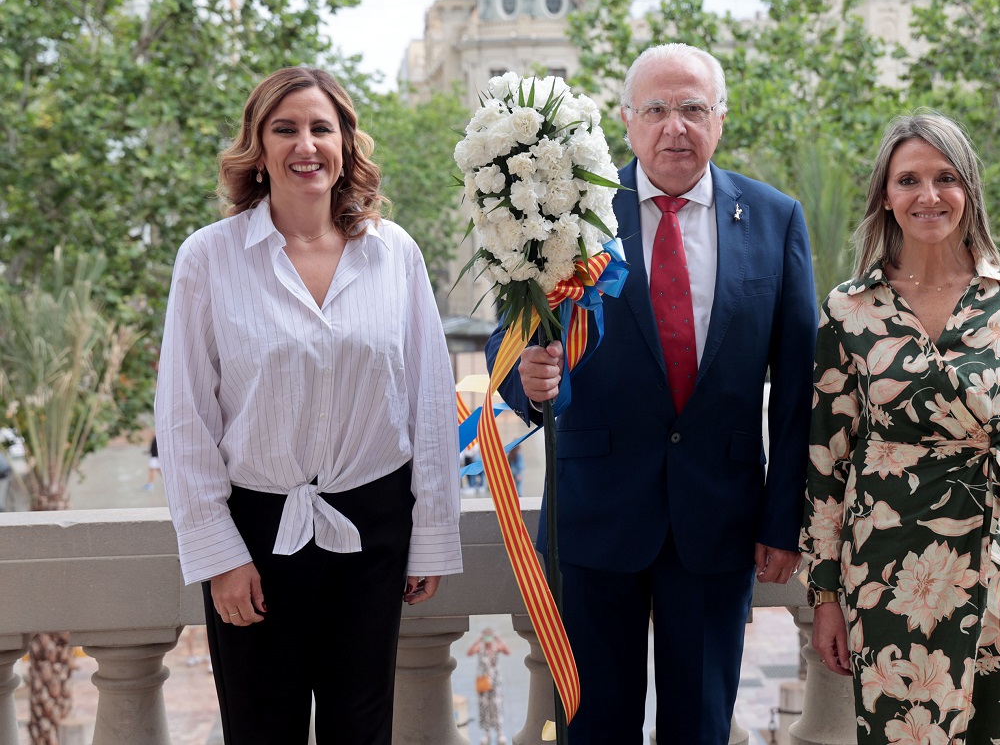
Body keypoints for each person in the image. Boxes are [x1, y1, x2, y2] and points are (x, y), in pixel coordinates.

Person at [487, 43, 818, 744]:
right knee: (595, 728)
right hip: (595, 514)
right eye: (657, 109)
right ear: (626, 120)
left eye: (693, 108)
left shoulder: (774, 218)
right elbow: (509, 336)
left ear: (721, 117)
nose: (676, 127)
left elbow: (797, 389)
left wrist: (784, 519)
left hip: (720, 520)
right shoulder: (570, 213)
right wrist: (526, 376)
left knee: (700, 728)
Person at [155, 66, 462, 745]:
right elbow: (183, 419)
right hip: (255, 535)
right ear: (258, 148)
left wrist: (432, 533)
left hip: (375, 528)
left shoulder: (395, 254)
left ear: (346, 144)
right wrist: (218, 555)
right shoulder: (208, 258)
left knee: (363, 730)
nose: (306, 145)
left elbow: (429, 403)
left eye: (322, 128)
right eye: (285, 129)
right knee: (261, 730)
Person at [798, 110, 1000, 743]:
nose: (928, 195)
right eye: (909, 180)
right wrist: (824, 598)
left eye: (946, 178)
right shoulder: (849, 308)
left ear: (969, 189)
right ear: (885, 195)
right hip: (887, 572)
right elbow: (826, 463)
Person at [466, 627, 512, 745]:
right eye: (486, 636)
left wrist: (498, 638)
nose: (488, 639)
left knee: (497, 707)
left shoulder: (496, 647)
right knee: (484, 708)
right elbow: (469, 653)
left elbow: (508, 651)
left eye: (489, 636)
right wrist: (478, 640)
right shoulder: (480, 648)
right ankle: (486, 734)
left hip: (496, 683)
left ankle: (500, 733)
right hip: (483, 683)